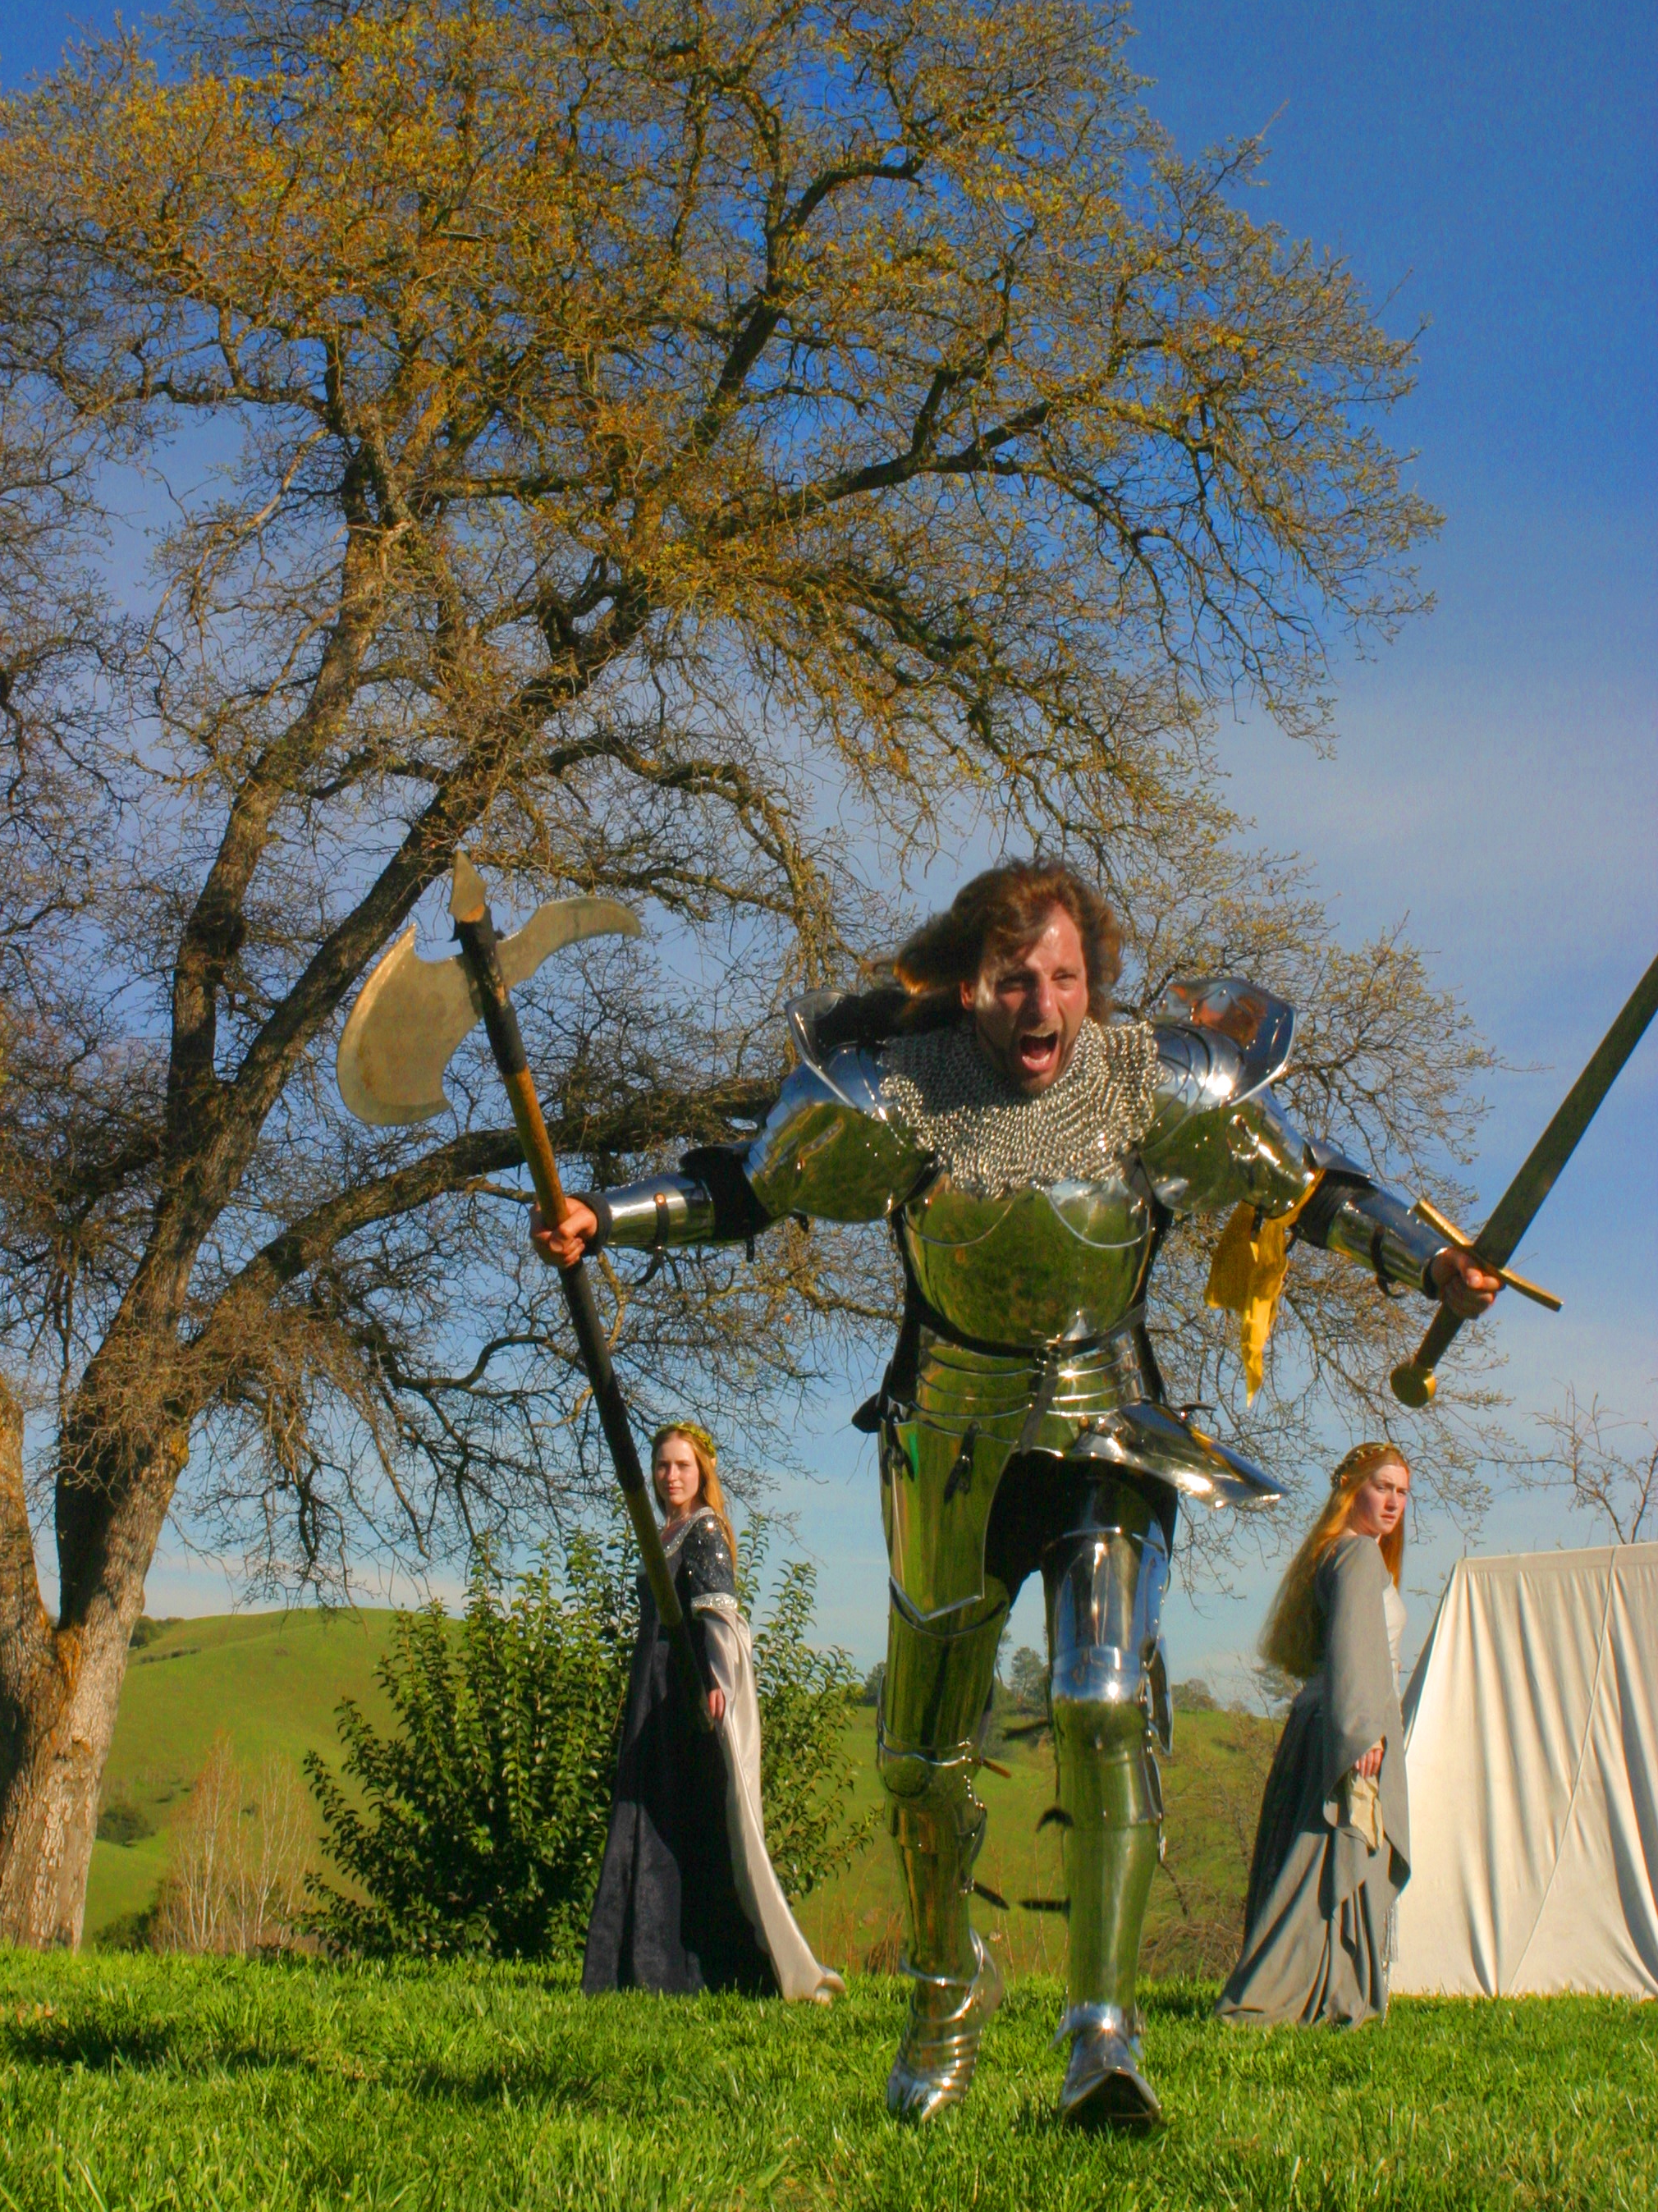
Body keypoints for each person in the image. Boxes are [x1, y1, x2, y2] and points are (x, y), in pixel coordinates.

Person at [537, 860, 1497, 2127]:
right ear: (969, 987)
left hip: (1109, 1434)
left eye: (1063, 977)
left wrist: (1431, 1261)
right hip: (950, 1445)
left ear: (1091, 982)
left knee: (1104, 1700)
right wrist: (606, 1215)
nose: (1041, 1004)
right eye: (1013, 980)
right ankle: (947, 1988)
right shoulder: (893, 1095)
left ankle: (1103, 2033)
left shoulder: (1158, 1083)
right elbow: (750, 1187)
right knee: (917, 1763)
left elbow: (1306, 1185)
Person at [582, 1419, 843, 2004]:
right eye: (663, 1465)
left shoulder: (703, 1528)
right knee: (646, 1809)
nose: (671, 1475)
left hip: (684, 1689)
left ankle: (686, 1967)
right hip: (652, 1685)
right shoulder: (666, 1530)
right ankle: (633, 1966)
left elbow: (720, 1614)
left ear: (702, 1472)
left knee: (680, 1818)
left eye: (682, 1465)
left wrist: (716, 1684)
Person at [1216, 1443, 1413, 2028]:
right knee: (1326, 1864)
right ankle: (1289, 1992)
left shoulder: (1334, 1552)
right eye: (1382, 1487)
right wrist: (1363, 1735)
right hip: (1350, 1727)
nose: (1393, 1502)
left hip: (1324, 1720)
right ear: (1351, 1489)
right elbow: (1355, 1648)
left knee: (1320, 1862)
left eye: (1402, 1492)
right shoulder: (1357, 1555)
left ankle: (1325, 1987)